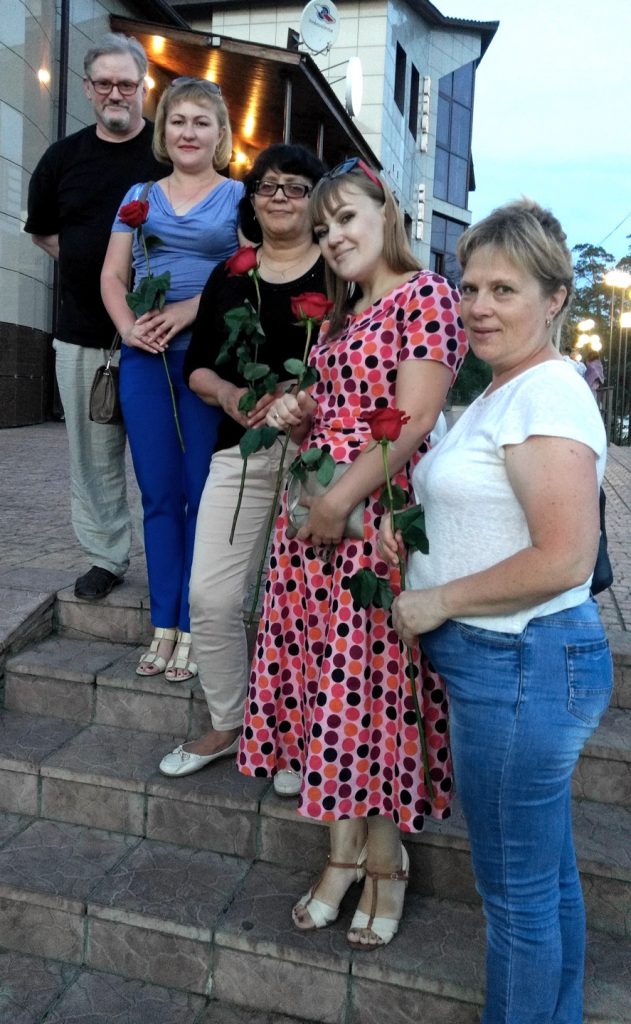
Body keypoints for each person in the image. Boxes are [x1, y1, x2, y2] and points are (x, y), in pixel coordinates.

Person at [384, 200, 612, 1022]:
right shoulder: (503, 390)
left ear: (554, 299)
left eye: (503, 290)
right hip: (513, 663)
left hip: (521, 664)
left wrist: (434, 598)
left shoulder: (543, 395)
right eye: (469, 286)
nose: (478, 306)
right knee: (542, 882)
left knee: (515, 900)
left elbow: (563, 557)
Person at [237, 159, 468, 950]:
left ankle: (382, 866)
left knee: (365, 698)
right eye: (324, 225)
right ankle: (342, 856)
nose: (332, 236)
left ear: (385, 212)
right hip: (311, 530)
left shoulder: (424, 295)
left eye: (345, 219)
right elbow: (331, 418)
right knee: (321, 692)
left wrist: (339, 499)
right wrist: (302, 417)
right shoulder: (341, 317)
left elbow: (412, 419)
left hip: (370, 523)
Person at [157, 143, 326, 770]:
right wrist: (228, 392)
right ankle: (229, 722)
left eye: (295, 186)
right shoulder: (230, 275)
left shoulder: (339, 273)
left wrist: (304, 392)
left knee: (306, 605)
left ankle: (298, 739)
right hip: (243, 450)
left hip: (321, 458)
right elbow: (198, 367)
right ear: (251, 200)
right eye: (267, 185)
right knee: (213, 596)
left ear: (317, 202)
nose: (279, 195)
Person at [101, 78, 244, 680]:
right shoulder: (138, 194)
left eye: (201, 122)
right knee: (158, 494)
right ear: (164, 131)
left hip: (206, 358)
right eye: (178, 121)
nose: (189, 132)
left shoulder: (240, 196)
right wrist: (131, 326)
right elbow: (112, 275)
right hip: (144, 358)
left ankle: (194, 624)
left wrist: (190, 310)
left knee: (199, 492)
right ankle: (164, 624)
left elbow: (247, 270)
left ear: (220, 134)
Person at [24, 33, 167, 601]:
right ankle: (105, 557)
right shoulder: (62, 158)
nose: (116, 93)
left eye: (126, 83)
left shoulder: (167, 151)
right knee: (92, 456)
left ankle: (175, 562)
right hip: (84, 335)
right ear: (87, 89)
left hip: (162, 335)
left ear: (142, 87)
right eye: (104, 83)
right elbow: (43, 232)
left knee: (165, 453)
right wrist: (97, 270)